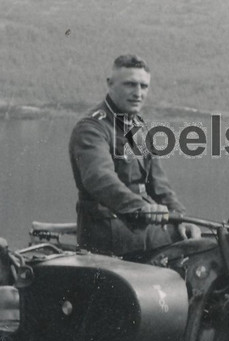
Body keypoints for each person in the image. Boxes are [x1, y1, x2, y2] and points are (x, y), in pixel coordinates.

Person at [68, 54, 200, 256]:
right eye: (130, 85)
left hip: (138, 229)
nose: (138, 93)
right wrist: (141, 207)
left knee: (205, 243)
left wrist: (180, 217)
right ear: (110, 84)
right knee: (197, 251)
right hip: (107, 233)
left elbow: (159, 184)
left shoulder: (138, 127)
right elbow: (99, 179)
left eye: (144, 86)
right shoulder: (92, 128)